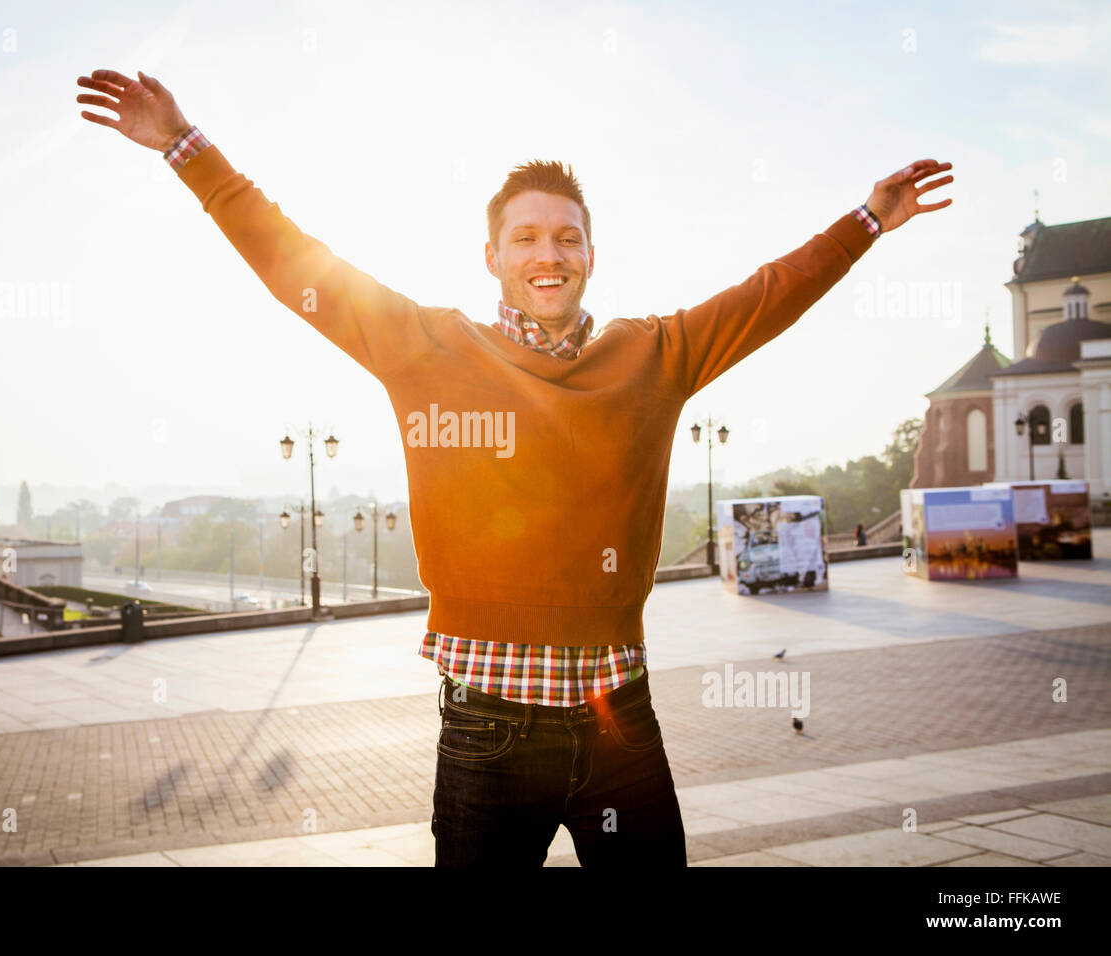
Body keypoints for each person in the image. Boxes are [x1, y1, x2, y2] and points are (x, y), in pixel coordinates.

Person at [76, 68, 953, 866]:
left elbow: (770, 294)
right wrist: (185, 146)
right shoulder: (428, 347)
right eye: (525, 237)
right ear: (492, 257)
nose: (548, 253)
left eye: (567, 237)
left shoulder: (654, 354)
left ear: (590, 257)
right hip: (487, 736)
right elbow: (289, 256)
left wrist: (868, 219)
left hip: (622, 725)